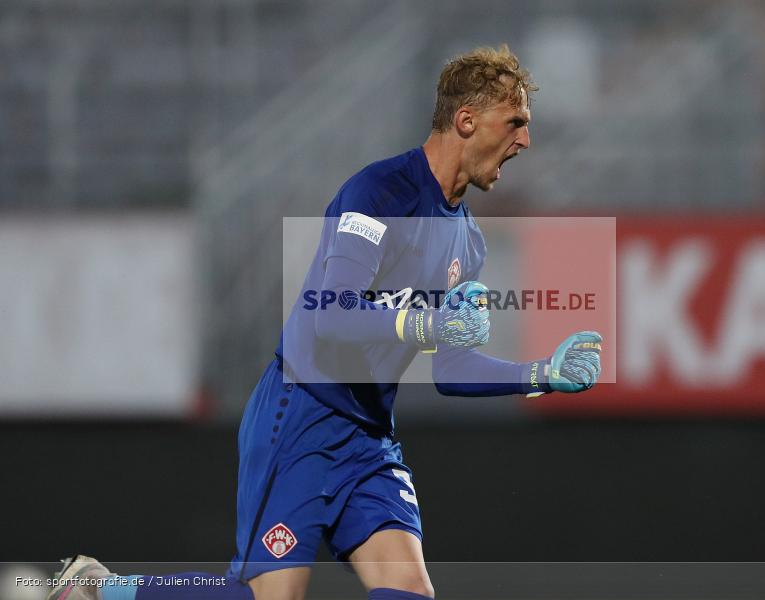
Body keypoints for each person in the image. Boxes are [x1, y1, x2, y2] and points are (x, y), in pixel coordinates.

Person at [48, 44, 601, 600]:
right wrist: (429, 324)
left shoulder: (469, 241)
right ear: (466, 120)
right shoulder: (379, 192)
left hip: (367, 438)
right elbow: (333, 316)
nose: (524, 140)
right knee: (271, 598)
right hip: (301, 416)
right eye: (515, 123)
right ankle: (103, 591)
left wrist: (539, 374)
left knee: (411, 591)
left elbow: (449, 370)